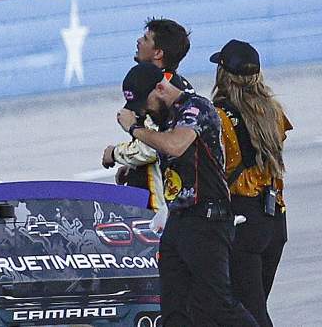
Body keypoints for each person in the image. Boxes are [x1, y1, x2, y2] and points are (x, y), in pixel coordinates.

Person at [115, 63, 257, 327]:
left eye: (145, 105)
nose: (144, 112)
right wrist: (131, 168)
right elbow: (168, 152)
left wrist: (134, 129)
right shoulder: (166, 118)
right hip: (178, 220)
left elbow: (176, 145)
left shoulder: (196, 108)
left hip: (207, 219)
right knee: (174, 308)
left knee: (218, 304)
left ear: (160, 88)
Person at [210, 40, 291, 327]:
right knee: (254, 308)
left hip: (242, 217)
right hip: (274, 218)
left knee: (247, 313)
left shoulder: (218, 116)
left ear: (223, 74)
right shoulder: (274, 111)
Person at [103, 17, 194, 209]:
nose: (138, 41)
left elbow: (153, 147)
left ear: (158, 53)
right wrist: (136, 168)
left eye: (145, 39)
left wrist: (115, 153)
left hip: (164, 205)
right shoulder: (176, 84)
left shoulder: (159, 91)